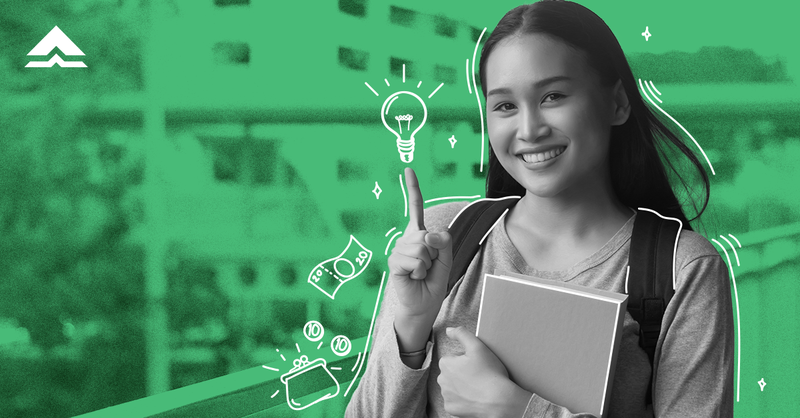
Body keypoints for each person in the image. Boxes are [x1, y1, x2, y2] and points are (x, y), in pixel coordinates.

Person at [346, 1, 734, 417]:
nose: (529, 130)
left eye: (553, 96)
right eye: (505, 106)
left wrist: (516, 409)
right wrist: (411, 324)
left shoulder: (684, 269)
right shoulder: (446, 238)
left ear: (617, 103)